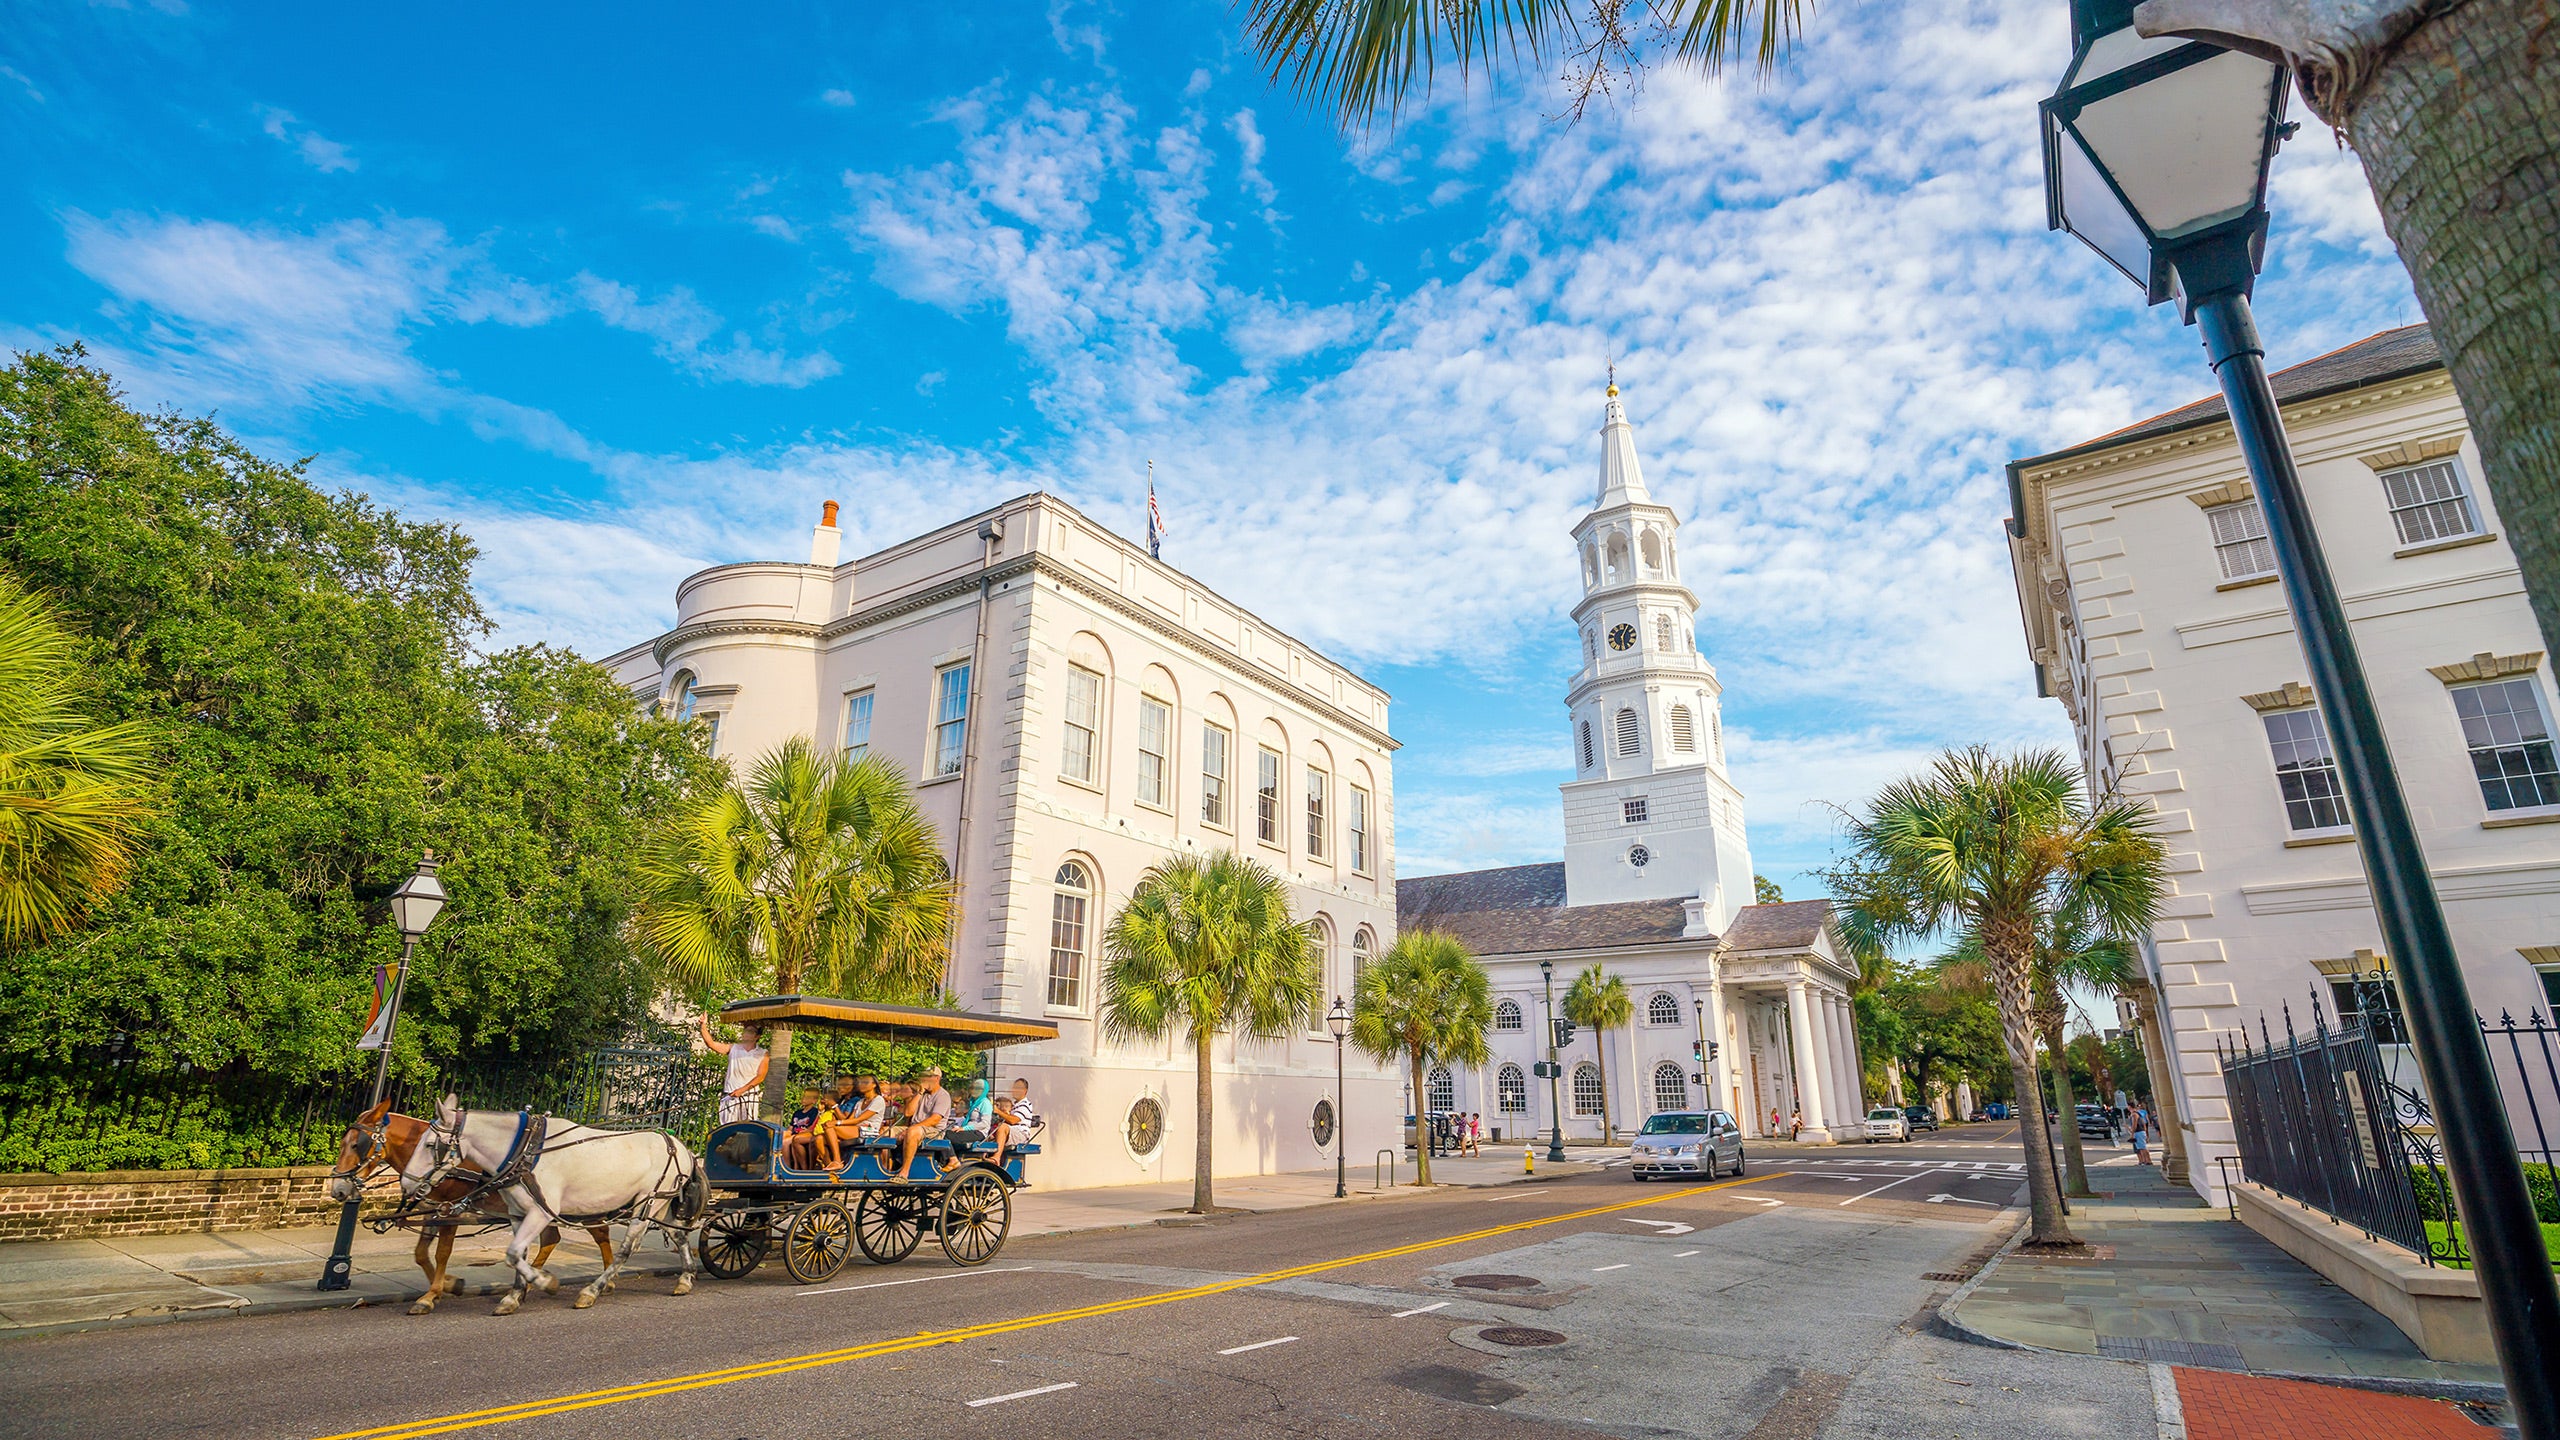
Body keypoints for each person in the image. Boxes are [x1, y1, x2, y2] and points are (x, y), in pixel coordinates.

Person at [699, 1015, 768, 1124]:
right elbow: (711, 1044)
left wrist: (742, 1090)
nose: (745, 1033)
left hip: (748, 1098)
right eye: (745, 1030)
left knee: (746, 1129)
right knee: (727, 1129)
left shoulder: (762, 1053)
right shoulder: (733, 1048)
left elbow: (760, 1076)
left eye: (750, 1031)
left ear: (757, 1036)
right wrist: (703, 1026)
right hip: (730, 1095)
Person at [888, 1067, 951, 1178]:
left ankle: (904, 1172)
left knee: (913, 1131)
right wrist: (920, 1093)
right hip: (915, 1127)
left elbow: (934, 1120)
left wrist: (910, 1129)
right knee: (886, 1131)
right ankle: (886, 1166)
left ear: (937, 1078)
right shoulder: (921, 1094)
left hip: (934, 1131)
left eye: (927, 1077)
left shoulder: (943, 1095)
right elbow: (908, 1113)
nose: (924, 1079)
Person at [784, 1085, 840, 1171]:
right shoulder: (800, 1113)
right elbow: (816, 1122)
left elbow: (814, 1126)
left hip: (817, 1133)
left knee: (791, 1141)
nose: (803, 1099)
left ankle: (798, 1168)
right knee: (787, 1138)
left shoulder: (824, 1112)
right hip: (809, 1132)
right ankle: (795, 1167)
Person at [993, 1078, 1038, 1166]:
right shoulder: (1014, 1105)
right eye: (1014, 1088)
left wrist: (998, 1111)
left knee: (1002, 1127)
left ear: (1025, 1091)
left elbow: (1013, 1120)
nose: (1015, 1090)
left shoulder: (1025, 1104)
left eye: (1018, 1088)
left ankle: (996, 1158)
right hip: (1013, 1132)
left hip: (1021, 1134)